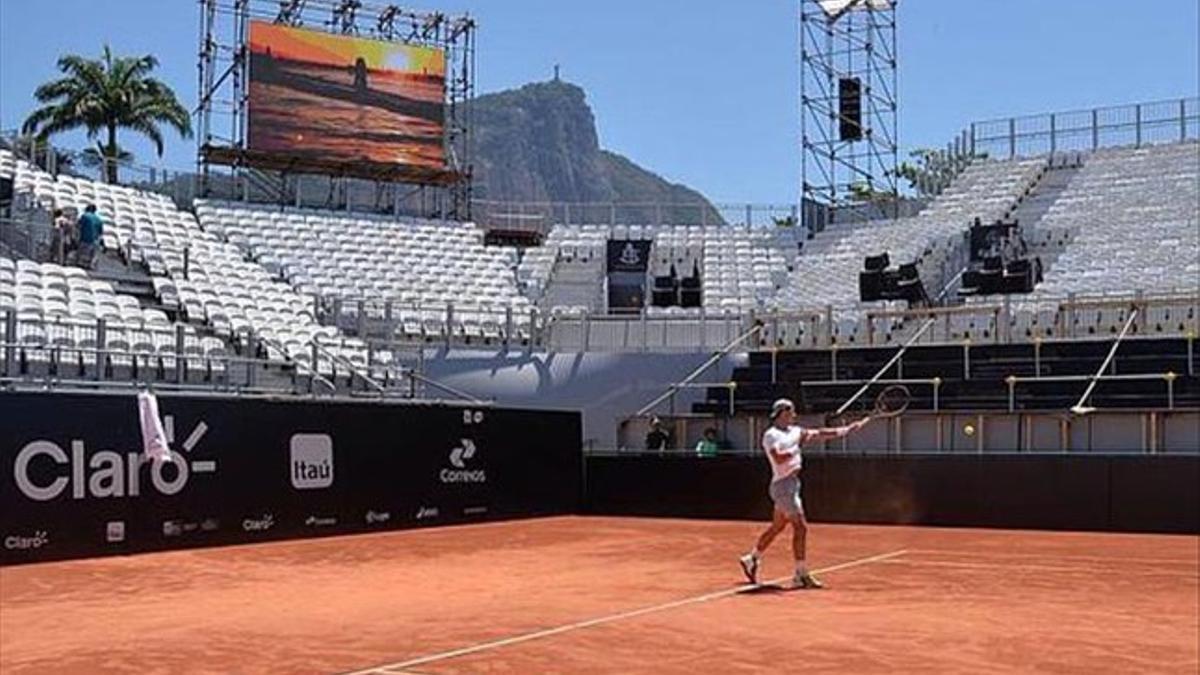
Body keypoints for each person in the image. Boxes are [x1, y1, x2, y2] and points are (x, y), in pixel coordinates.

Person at [738, 398, 870, 590]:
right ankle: (801, 574)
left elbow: (821, 433)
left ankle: (751, 559)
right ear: (782, 412)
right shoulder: (771, 435)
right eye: (791, 411)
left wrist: (847, 430)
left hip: (792, 484)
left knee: (777, 527)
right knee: (801, 528)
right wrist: (796, 446)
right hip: (782, 487)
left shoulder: (796, 431)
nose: (794, 415)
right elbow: (778, 457)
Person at [75, 204, 104, 270]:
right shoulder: (99, 219)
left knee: (81, 260)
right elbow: (100, 233)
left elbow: (78, 226)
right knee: (91, 260)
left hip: (85, 239)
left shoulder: (85, 216)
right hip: (95, 241)